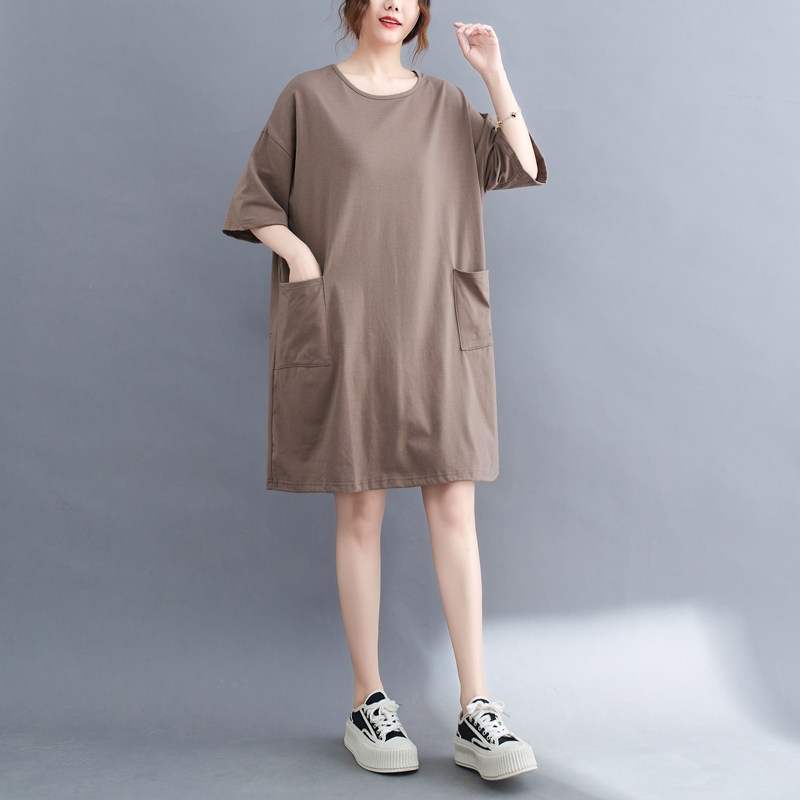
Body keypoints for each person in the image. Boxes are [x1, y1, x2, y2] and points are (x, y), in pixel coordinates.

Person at [221, 0, 547, 781]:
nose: (394, 3)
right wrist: (301, 257)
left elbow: (524, 165)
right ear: (357, 5)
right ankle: (368, 700)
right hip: (350, 328)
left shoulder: (446, 104)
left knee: (454, 509)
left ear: (421, 9)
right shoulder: (308, 98)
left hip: (437, 327)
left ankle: (477, 708)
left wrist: (492, 71)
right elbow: (256, 200)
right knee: (361, 508)